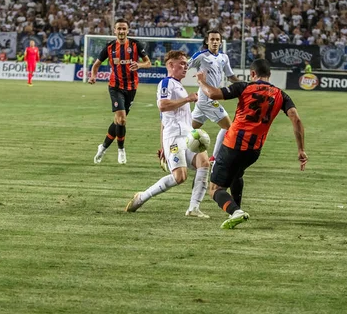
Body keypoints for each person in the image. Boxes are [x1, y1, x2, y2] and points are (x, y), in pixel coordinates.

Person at [195, 59, 307, 229]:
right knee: (236, 174)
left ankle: (235, 211)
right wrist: (301, 150)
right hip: (254, 151)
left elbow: (212, 94)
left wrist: (201, 81)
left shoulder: (244, 87)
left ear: (253, 74)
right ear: (269, 75)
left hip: (233, 145)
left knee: (215, 189)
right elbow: (296, 119)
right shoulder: (281, 95)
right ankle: (237, 208)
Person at [125, 50, 210, 218]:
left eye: (186, 64)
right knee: (180, 177)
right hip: (174, 138)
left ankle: (193, 208)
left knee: (204, 163)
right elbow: (163, 106)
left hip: (188, 135)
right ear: (171, 65)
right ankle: (142, 197)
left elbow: (162, 119)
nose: (186, 67)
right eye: (182, 64)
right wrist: (187, 99)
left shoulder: (179, 86)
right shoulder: (166, 83)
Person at [90, 18, 152, 164]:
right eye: (119, 29)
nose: (122, 31)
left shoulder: (136, 45)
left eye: (124, 29)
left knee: (118, 121)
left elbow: (148, 63)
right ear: (115, 30)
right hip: (115, 86)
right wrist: (93, 76)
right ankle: (121, 150)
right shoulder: (110, 47)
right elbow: (96, 64)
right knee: (122, 119)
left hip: (131, 87)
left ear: (128, 30)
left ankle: (103, 147)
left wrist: (139, 65)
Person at [188, 30, 240, 163]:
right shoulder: (201, 56)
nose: (215, 42)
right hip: (207, 99)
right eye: (212, 39)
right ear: (207, 41)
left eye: (217, 39)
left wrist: (246, 85)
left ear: (221, 42)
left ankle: (176, 150)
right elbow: (185, 66)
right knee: (229, 127)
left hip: (208, 98)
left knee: (189, 129)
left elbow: (231, 76)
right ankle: (215, 158)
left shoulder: (224, 57)